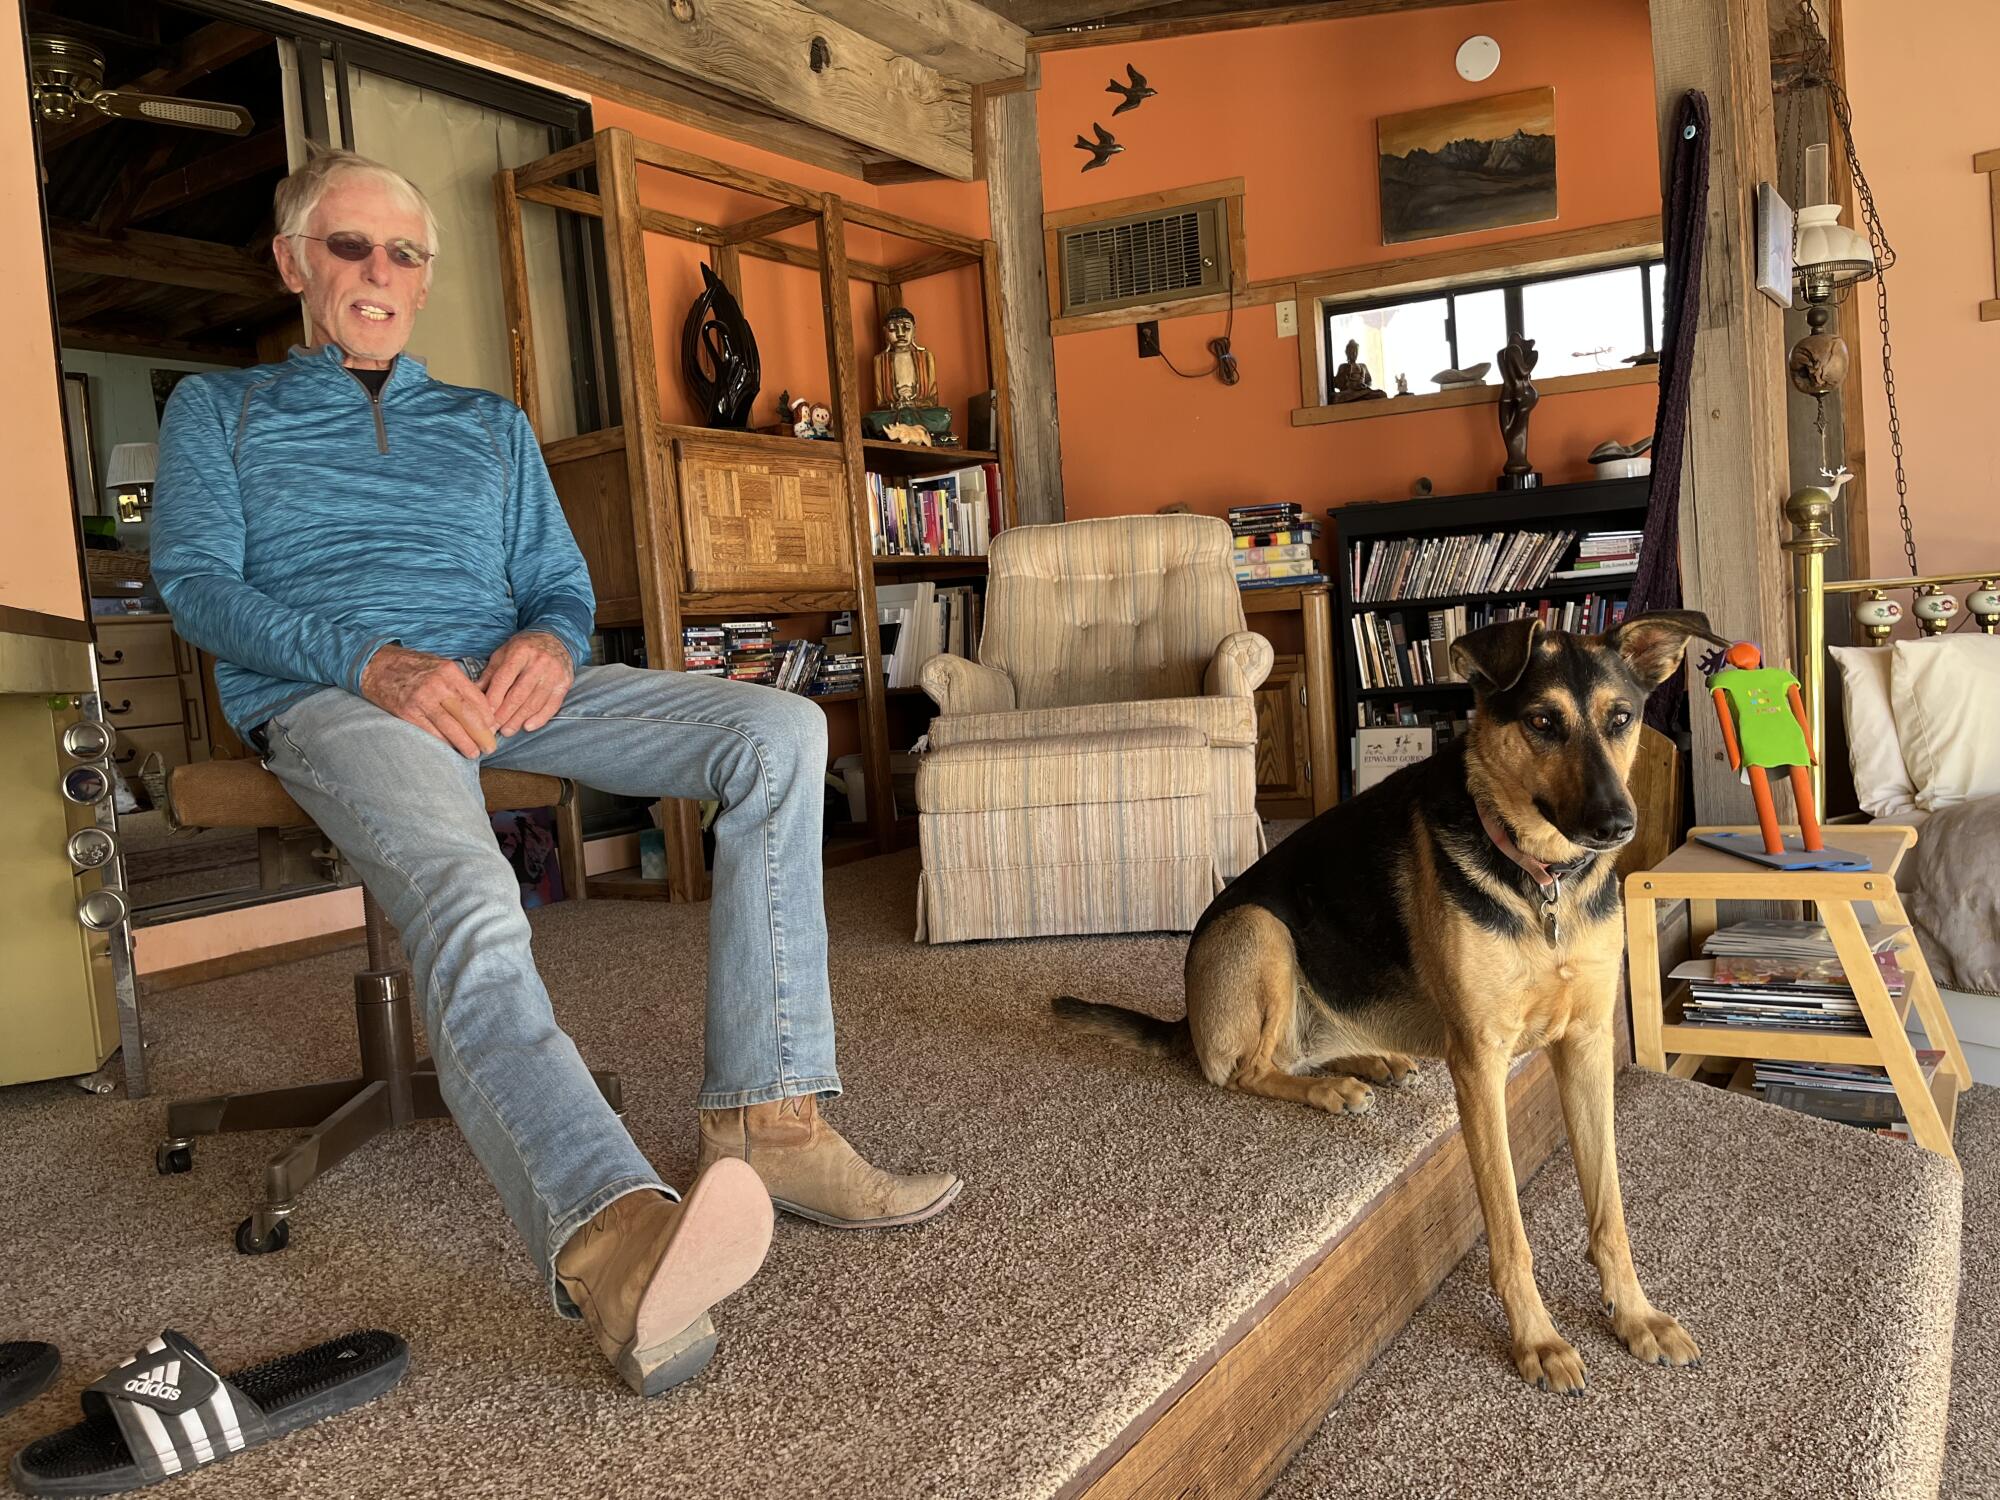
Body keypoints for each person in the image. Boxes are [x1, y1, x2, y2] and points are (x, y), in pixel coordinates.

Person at [150, 149, 961, 1397]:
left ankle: (770, 1115)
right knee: (478, 898)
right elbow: (197, 586)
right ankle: (611, 1242)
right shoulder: (220, 411)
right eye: (347, 247)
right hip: (336, 698)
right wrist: (371, 665)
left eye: (402, 252)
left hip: (505, 688)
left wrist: (544, 643)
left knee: (780, 736)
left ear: (425, 276)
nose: (377, 272)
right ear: (292, 262)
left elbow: (559, 587)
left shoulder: (487, 424)